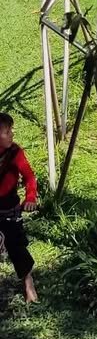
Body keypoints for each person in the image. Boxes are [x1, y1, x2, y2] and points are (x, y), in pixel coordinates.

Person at [0, 112, 38, 304]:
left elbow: (29, 177)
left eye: (11, 131)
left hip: (10, 209)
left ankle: (28, 283)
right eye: (7, 132)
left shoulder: (15, 153)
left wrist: (30, 197)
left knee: (16, 246)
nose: (12, 134)